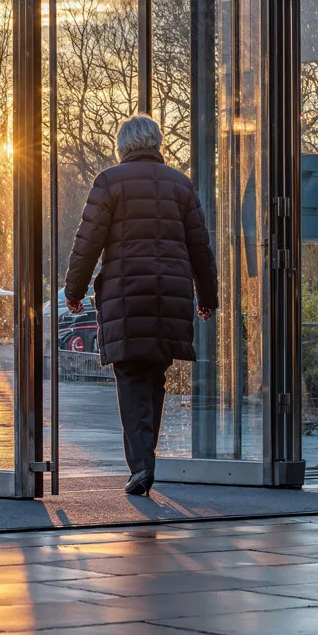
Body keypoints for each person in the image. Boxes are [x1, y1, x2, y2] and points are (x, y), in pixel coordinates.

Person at [63, 114, 219, 497]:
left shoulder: (110, 182)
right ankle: (145, 461)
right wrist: (207, 297)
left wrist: (73, 289)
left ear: (123, 147)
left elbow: (88, 242)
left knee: (131, 378)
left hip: (126, 297)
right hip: (170, 296)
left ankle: (141, 466)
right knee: (154, 377)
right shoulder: (181, 186)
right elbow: (200, 247)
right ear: (157, 144)